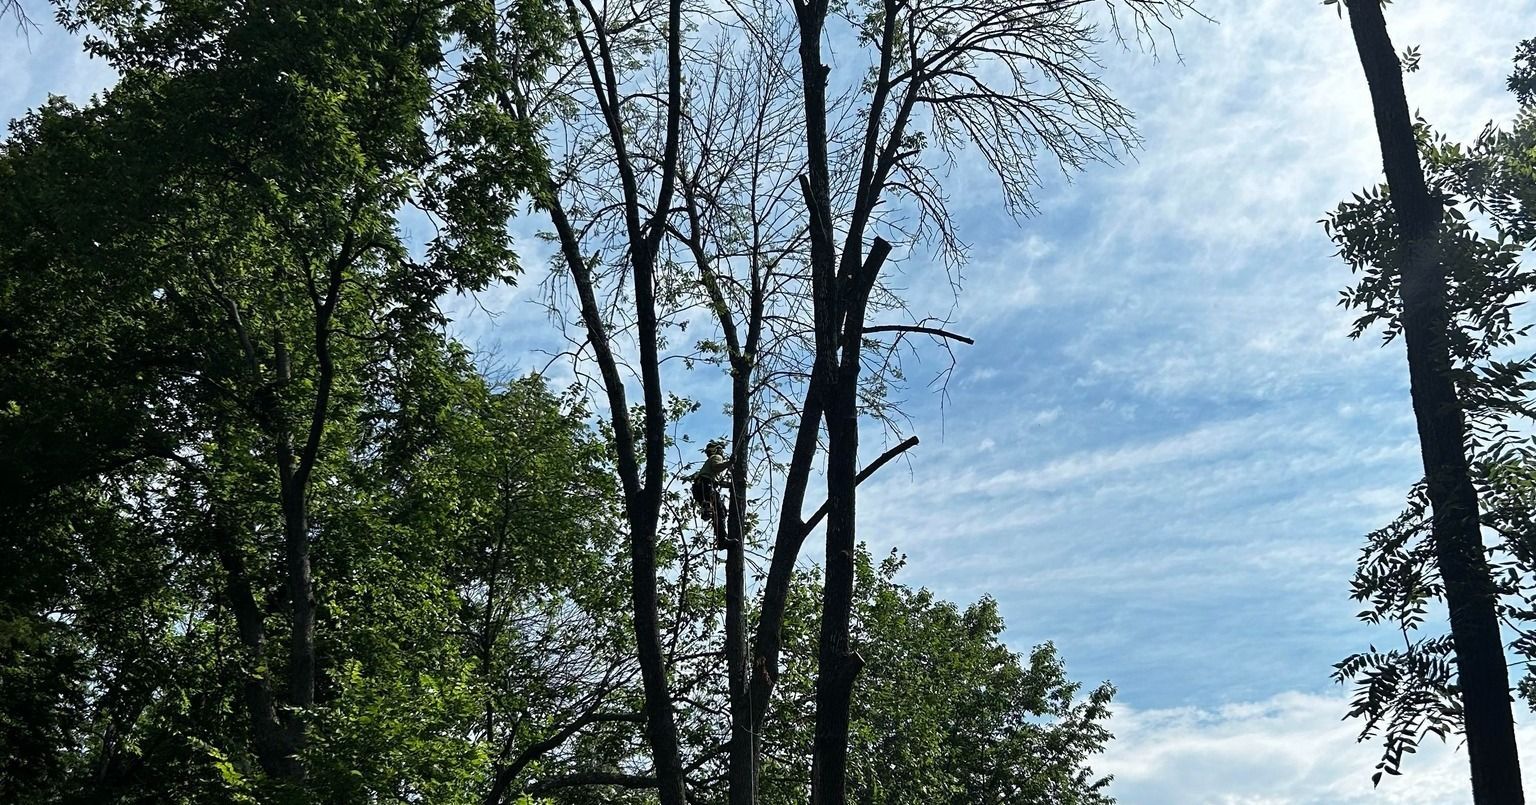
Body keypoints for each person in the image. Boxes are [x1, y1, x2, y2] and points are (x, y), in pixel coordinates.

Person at [689, 440, 734, 549]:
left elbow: (716, 480)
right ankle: (722, 540)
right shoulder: (716, 457)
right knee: (719, 512)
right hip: (706, 486)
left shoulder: (708, 465)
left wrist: (731, 485)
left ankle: (721, 538)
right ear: (717, 450)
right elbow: (716, 467)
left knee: (719, 511)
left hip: (701, 488)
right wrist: (729, 463)